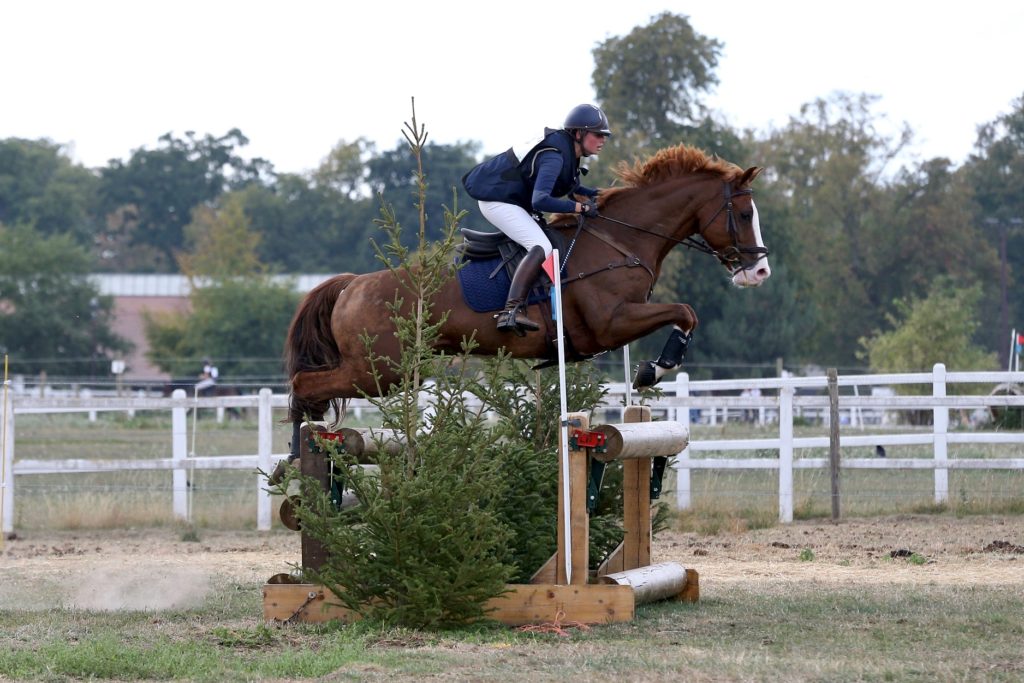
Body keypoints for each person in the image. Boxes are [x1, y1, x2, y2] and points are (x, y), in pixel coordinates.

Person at [462, 103, 611, 335]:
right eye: (598, 135)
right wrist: (580, 207)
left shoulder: (569, 153)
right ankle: (511, 310)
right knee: (541, 246)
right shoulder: (555, 156)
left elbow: (573, 187)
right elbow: (540, 200)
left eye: (604, 136)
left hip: (511, 200)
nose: (603, 140)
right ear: (579, 134)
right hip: (496, 201)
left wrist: (601, 195)